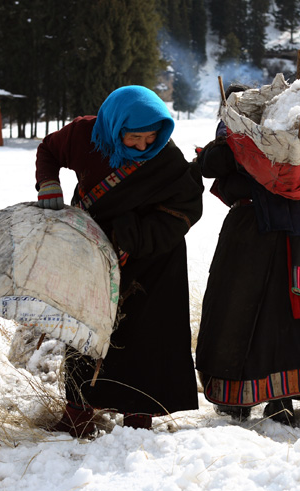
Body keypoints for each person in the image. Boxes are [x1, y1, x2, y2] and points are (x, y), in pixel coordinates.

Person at [33, 85, 204, 437]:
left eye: (151, 138)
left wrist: (130, 237)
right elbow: (49, 149)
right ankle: (78, 412)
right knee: (84, 326)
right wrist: (48, 183)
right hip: (94, 247)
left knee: (145, 333)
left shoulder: (166, 160)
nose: (143, 147)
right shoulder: (85, 135)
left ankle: (139, 414)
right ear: (115, 128)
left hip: (153, 255)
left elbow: (185, 209)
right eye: (133, 138)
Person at [194, 85, 300, 426]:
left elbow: (210, 165)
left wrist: (227, 142)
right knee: (285, 317)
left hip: (250, 236)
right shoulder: (298, 138)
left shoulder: (241, 136)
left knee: (236, 317)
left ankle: (239, 400)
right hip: (297, 238)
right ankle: (280, 400)